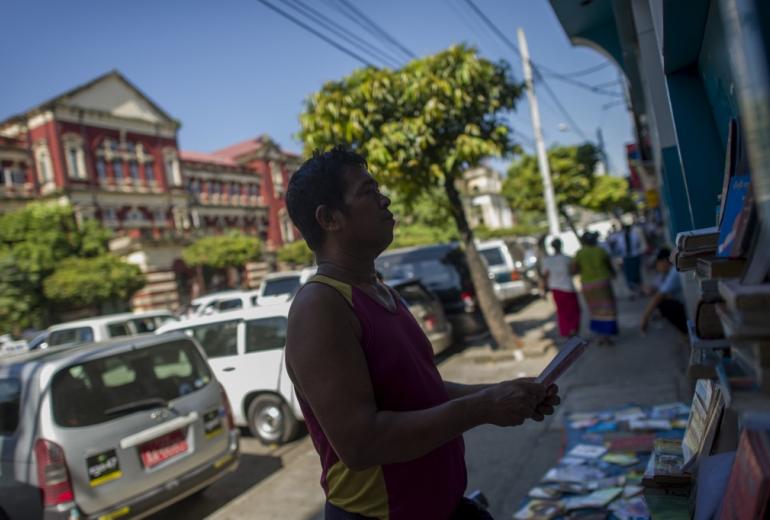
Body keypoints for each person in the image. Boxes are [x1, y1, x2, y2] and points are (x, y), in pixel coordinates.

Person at [284, 147, 560, 519]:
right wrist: (481, 408)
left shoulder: (383, 292)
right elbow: (361, 442)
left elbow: (420, 391)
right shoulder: (320, 306)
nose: (385, 200)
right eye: (368, 192)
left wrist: (502, 392)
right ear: (330, 218)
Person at [572, 232, 618, 345]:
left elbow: (574, 270)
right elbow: (609, 265)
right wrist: (613, 274)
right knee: (607, 309)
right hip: (603, 283)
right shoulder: (600, 251)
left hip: (588, 285)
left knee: (595, 310)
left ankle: (600, 336)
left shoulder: (579, 253)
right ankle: (607, 336)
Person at [640, 248, 688, 336]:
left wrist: (644, 318)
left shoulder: (674, 271)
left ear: (665, 261)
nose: (657, 267)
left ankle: (685, 331)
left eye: (658, 263)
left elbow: (658, 296)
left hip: (688, 307)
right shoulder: (669, 272)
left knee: (662, 303)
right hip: (686, 304)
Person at [541, 238, 580, 338]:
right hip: (568, 288)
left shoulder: (547, 260)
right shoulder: (567, 258)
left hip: (556, 289)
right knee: (573, 310)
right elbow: (573, 271)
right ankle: (573, 330)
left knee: (562, 311)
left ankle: (567, 331)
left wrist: (543, 290)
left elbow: (545, 277)